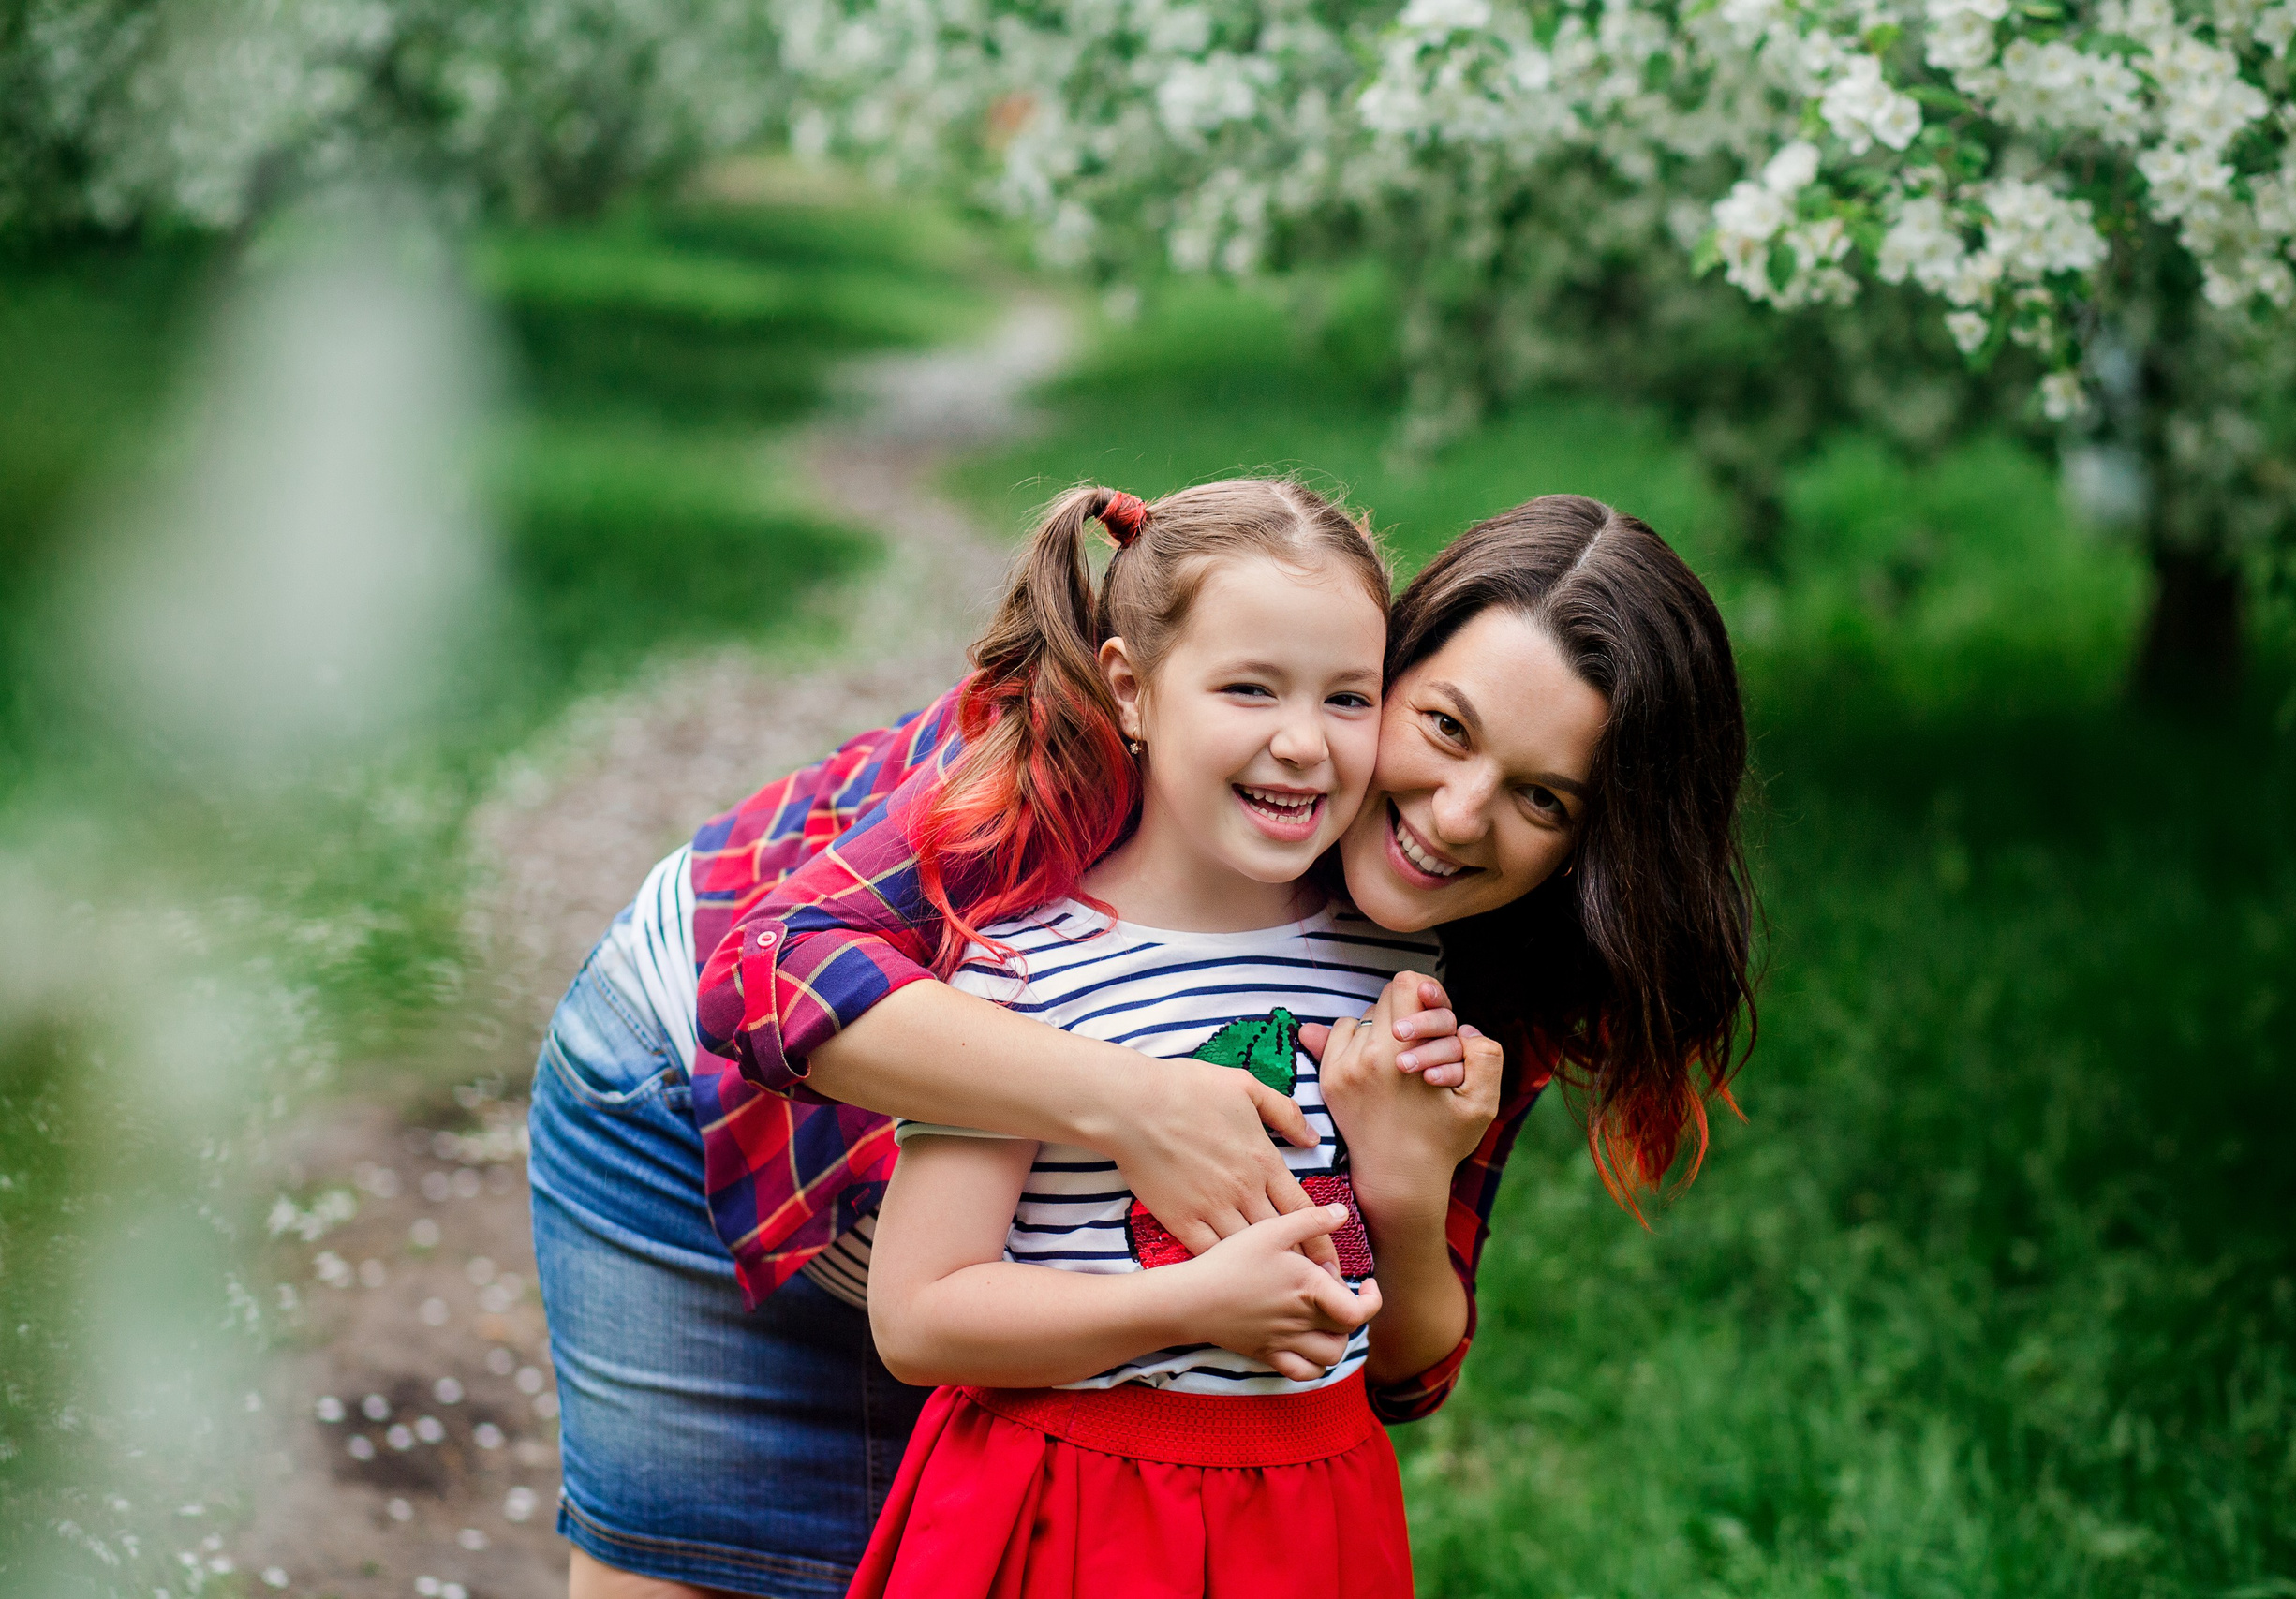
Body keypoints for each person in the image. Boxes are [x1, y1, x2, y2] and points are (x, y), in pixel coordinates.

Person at [529, 484, 1755, 1598]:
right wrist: (1139, 1102)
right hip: (699, 1111)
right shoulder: (1079, 780)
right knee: (713, 1557)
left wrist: (1403, 1179)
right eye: (1442, 724)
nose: (1459, 813)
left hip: (1031, 1321)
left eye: (1544, 797)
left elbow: (1397, 1363)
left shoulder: (1464, 970)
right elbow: (763, 976)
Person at [843, 477, 1499, 1597]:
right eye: (1249, 687)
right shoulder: (1021, 970)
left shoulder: (1395, 967)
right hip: (1070, 1507)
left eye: (1348, 698)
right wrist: (1185, 1308)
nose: (1303, 742)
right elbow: (918, 1317)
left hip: (1312, 1509)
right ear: (1131, 691)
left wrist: (1417, 1156)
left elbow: (1397, 1325)